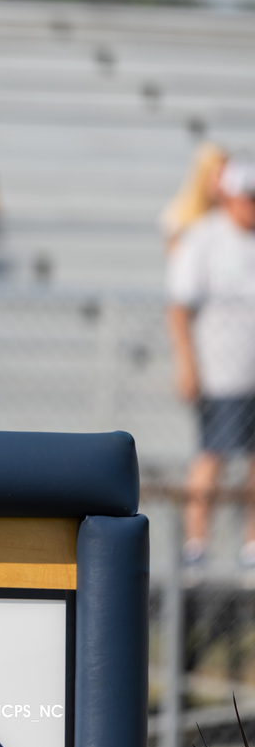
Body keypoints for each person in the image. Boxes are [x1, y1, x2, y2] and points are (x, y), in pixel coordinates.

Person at [167, 157, 255, 567]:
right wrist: (188, 367)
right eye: (246, 197)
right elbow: (180, 309)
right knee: (212, 456)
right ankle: (196, 546)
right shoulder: (204, 238)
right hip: (220, 374)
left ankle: (250, 546)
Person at [160, 142, 227, 253]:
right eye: (218, 175)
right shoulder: (178, 216)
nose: (223, 182)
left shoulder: (234, 213)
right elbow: (176, 258)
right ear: (203, 176)